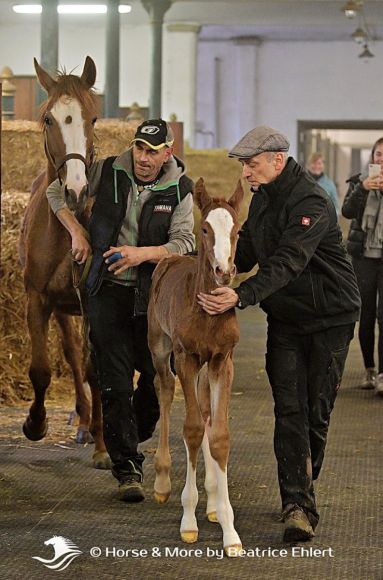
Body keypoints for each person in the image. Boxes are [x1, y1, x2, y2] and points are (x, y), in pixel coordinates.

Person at [197, 125, 360, 542]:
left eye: (252, 165)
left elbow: (290, 260)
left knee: (315, 411)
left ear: (277, 160)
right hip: (287, 319)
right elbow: (248, 247)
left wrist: (242, 295)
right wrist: (218, 259)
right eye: (244, 167)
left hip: (331, 317)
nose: (247, 174)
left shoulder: (311, 200)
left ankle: (303, 482)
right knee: (289, 408)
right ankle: (298, 506)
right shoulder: (264, 199)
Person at [46, 119, 195, 502]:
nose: (143, 159)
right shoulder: (106, 170)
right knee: (113, 381)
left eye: (153, 152)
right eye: (140, 150)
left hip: (153, 298)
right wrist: (76, 232)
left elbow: (184, 242)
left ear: (168, 152)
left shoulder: (180, 188)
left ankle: (136, 431)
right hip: (106, 290)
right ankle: (127, 469)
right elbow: (54, 192)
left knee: (154, 377)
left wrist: (140, 255)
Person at [342, 137, 383, 394]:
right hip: (363, 258)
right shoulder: (358, 182)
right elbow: (346, 211)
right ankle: (369, 369)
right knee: (365, 317)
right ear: (372, 156)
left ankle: (382, 375)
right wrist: (364, 188)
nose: (381, 159)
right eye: (378, 154)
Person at [307, 152, 340, 217]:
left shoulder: (330, 184)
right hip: (304, 222)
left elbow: (336, 207)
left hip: (323, 223)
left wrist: (331, 220)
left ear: (323, 165)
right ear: (308, 165)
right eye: (314, 163)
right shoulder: (300, 182)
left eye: (319, 163)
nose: (317, 166)